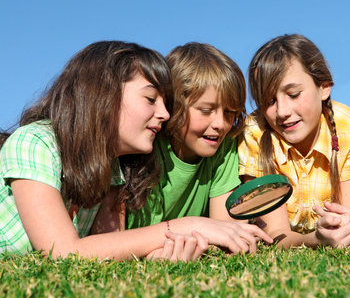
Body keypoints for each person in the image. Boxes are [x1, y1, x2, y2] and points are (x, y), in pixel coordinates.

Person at [0, 41, 208, 261]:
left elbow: (110, 250)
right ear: (103, 93)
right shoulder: (35, 142)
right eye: (150, 99)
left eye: (165, 104)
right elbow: (62, 252)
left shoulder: (113, 168)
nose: (165, 114)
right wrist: (188, 225)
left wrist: (159, 257)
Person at [125, 43, 272, 254]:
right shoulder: (148, 146)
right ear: (173, 106)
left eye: (230, 112)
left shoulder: (224, 145)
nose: (220, 124)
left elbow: (224, 229)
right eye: (205, 110)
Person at [239, 34, 350, 248]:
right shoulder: (255, 133)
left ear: (324, 88)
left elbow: (349, 220)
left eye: (293, 94)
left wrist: (346, 229)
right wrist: (316, 240)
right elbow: (275, 233)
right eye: (269, 101)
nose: (282, 112)